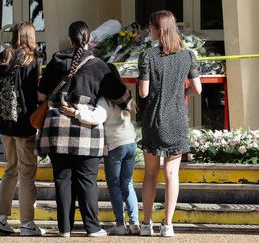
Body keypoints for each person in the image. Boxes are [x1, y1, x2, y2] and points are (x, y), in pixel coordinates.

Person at [37, 21, 132, 237]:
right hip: (86, 131)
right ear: (89, 39)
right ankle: (92, 227)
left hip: (56, 128)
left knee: (62, 179)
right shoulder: (99, 65)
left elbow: (41, 96)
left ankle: (65, 229)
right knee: (86, 179)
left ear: (70, 39)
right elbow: (120, 95)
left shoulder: (56, 60)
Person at [137, 10, 202, 237]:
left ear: (159, 29)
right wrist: (180, 92)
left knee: (150, 175)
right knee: (172, 174)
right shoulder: (188, 56)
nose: (148, 30)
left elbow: (144, 93)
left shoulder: (148, 56)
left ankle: (146, 224)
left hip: (154, 119)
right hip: (176, 119)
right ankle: (168, 225)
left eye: (150, 26)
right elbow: (197, 88)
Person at [60, 64, 140, 236]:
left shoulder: (105, 100)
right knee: (128, 184)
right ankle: (135, 222)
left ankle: (120, 224)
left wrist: (75, 113)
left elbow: (97, 117)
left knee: (114, 186)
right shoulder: (125, 95)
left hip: (115, 146)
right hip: (130, 143)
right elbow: (133, 110)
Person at [0, 22, 45, 236]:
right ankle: (27, 223)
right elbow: (32, 93)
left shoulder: (4, 55)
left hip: (4, 123)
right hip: (23, 122)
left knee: (11, 169)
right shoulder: (31, 58)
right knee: (27, 173)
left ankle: (0, 217)